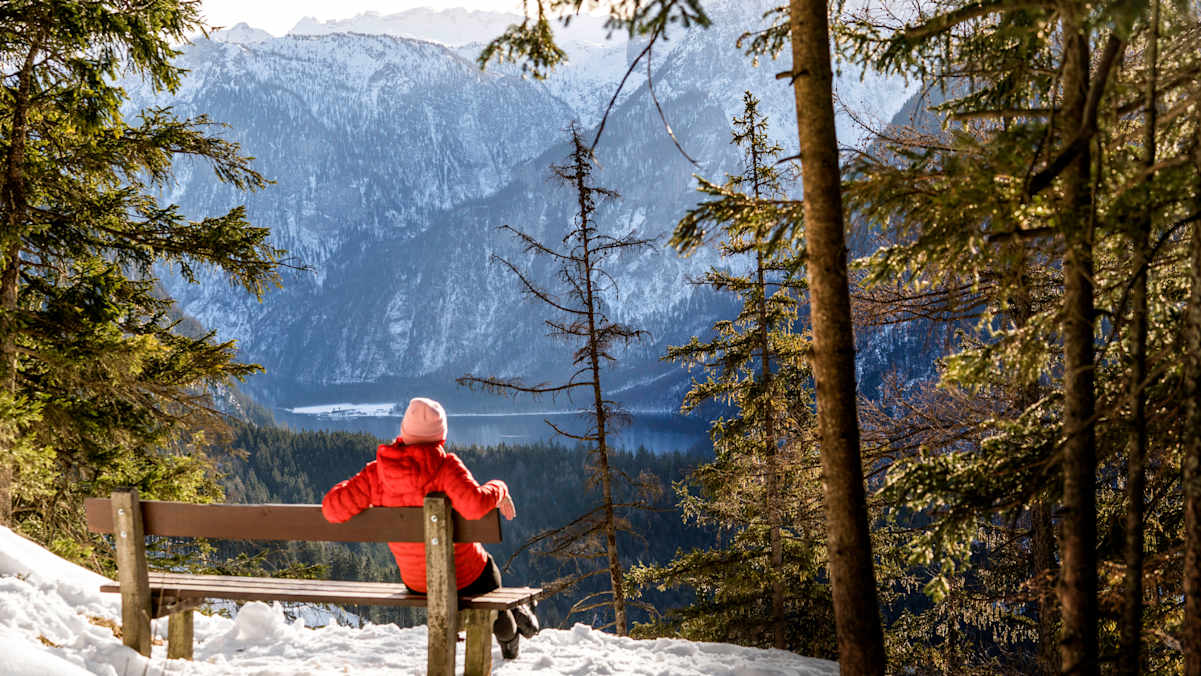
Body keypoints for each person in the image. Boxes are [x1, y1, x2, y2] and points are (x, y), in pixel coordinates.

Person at [321, 397, 538, 658]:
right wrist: (500, 488)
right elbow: (476, 506)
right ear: (441, 436)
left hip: (417, 582)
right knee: (489, 576)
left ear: (404, 430)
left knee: (481, 581)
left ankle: (510, 613)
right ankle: (509, 628)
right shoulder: (446, 467)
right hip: (466, 578)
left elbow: (332, 508)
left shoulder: (376, 473)